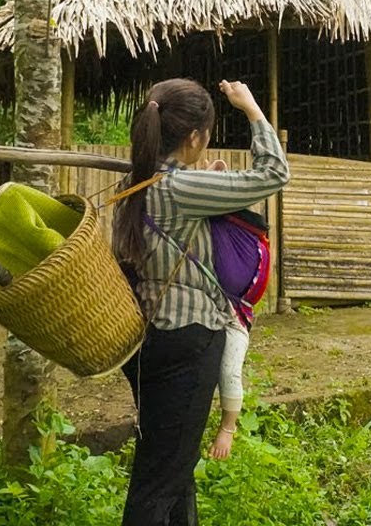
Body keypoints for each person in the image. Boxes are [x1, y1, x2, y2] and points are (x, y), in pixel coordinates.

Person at [114, 77, 289, 526]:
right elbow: (274, 173)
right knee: (159, 481)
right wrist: (252, 109)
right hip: (188, 341)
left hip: (145, 340)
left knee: (174, 465)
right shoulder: (180, 187)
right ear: (193, 137)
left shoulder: (134, 183)